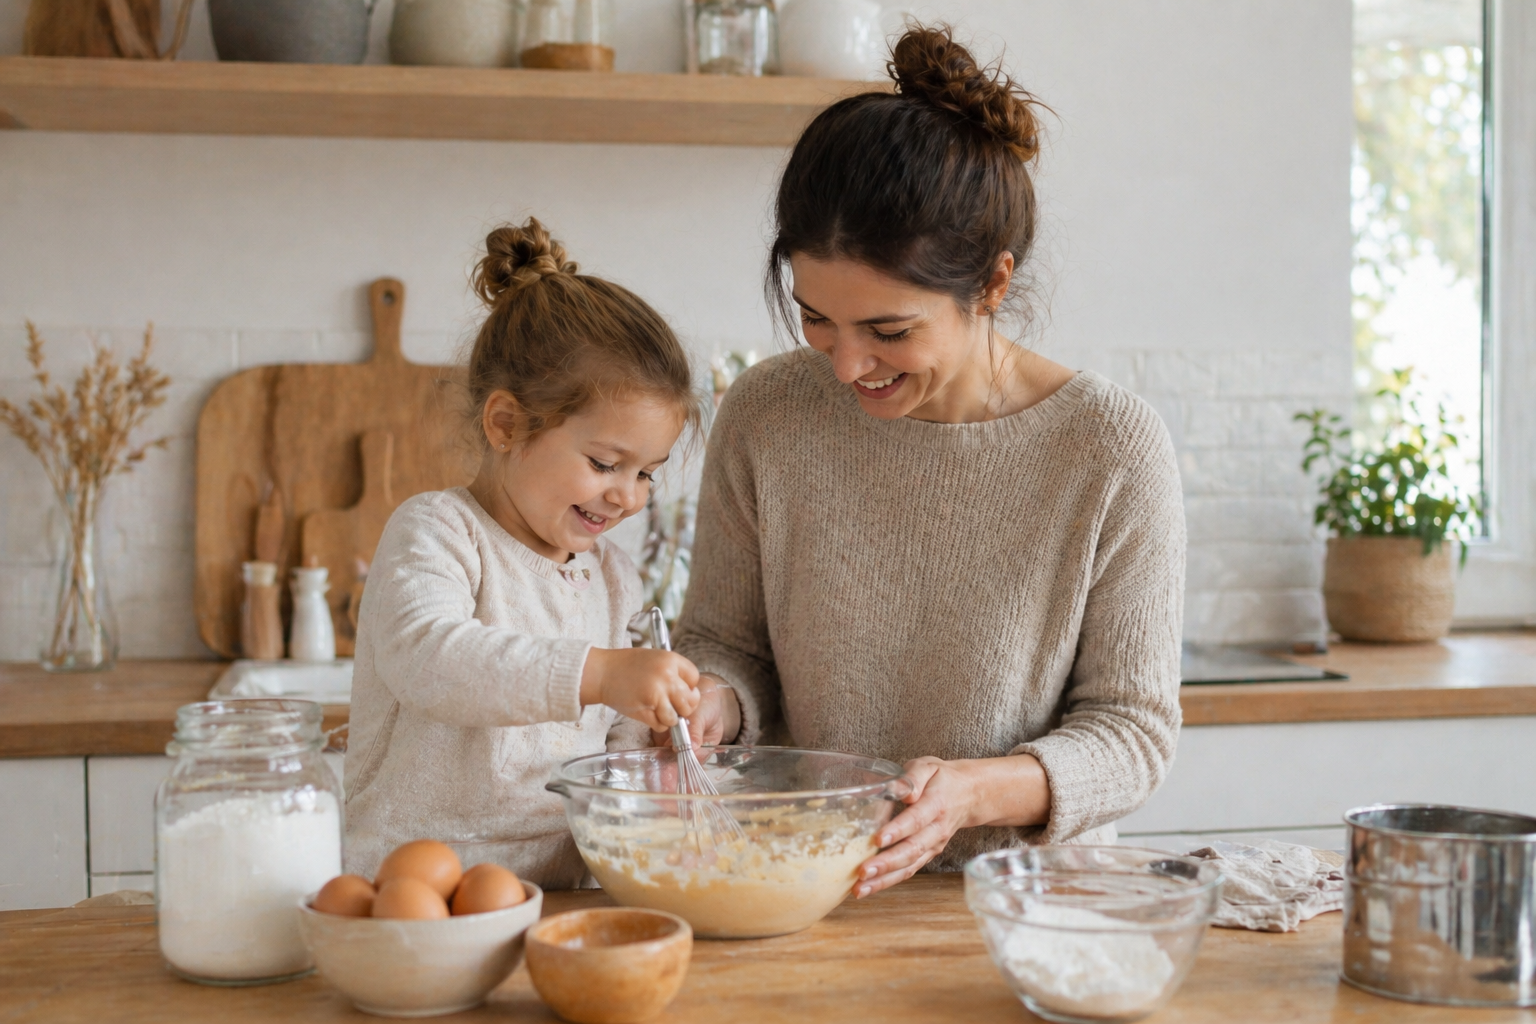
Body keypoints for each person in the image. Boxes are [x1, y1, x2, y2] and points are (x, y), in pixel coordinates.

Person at [673, 25, 1187, 898]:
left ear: (990, 285)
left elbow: (1132, 733)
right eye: (816, 319)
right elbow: (726, 644)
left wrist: (974, 791)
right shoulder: (768, 413)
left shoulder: (1108, 449)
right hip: (805, 890)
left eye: (889, 330)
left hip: (1030, 903)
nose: (845, 366)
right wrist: (712, 706)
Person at [344, 218, 707, 885]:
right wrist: (598, 674)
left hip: (563, 892)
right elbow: (429, 658)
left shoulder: (616, 580)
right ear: (507, 425)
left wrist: (655, 740)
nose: (627, 496)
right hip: (408, 890)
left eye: (647, 472)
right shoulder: (440, 532)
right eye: (605, 462)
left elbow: (616, 754)